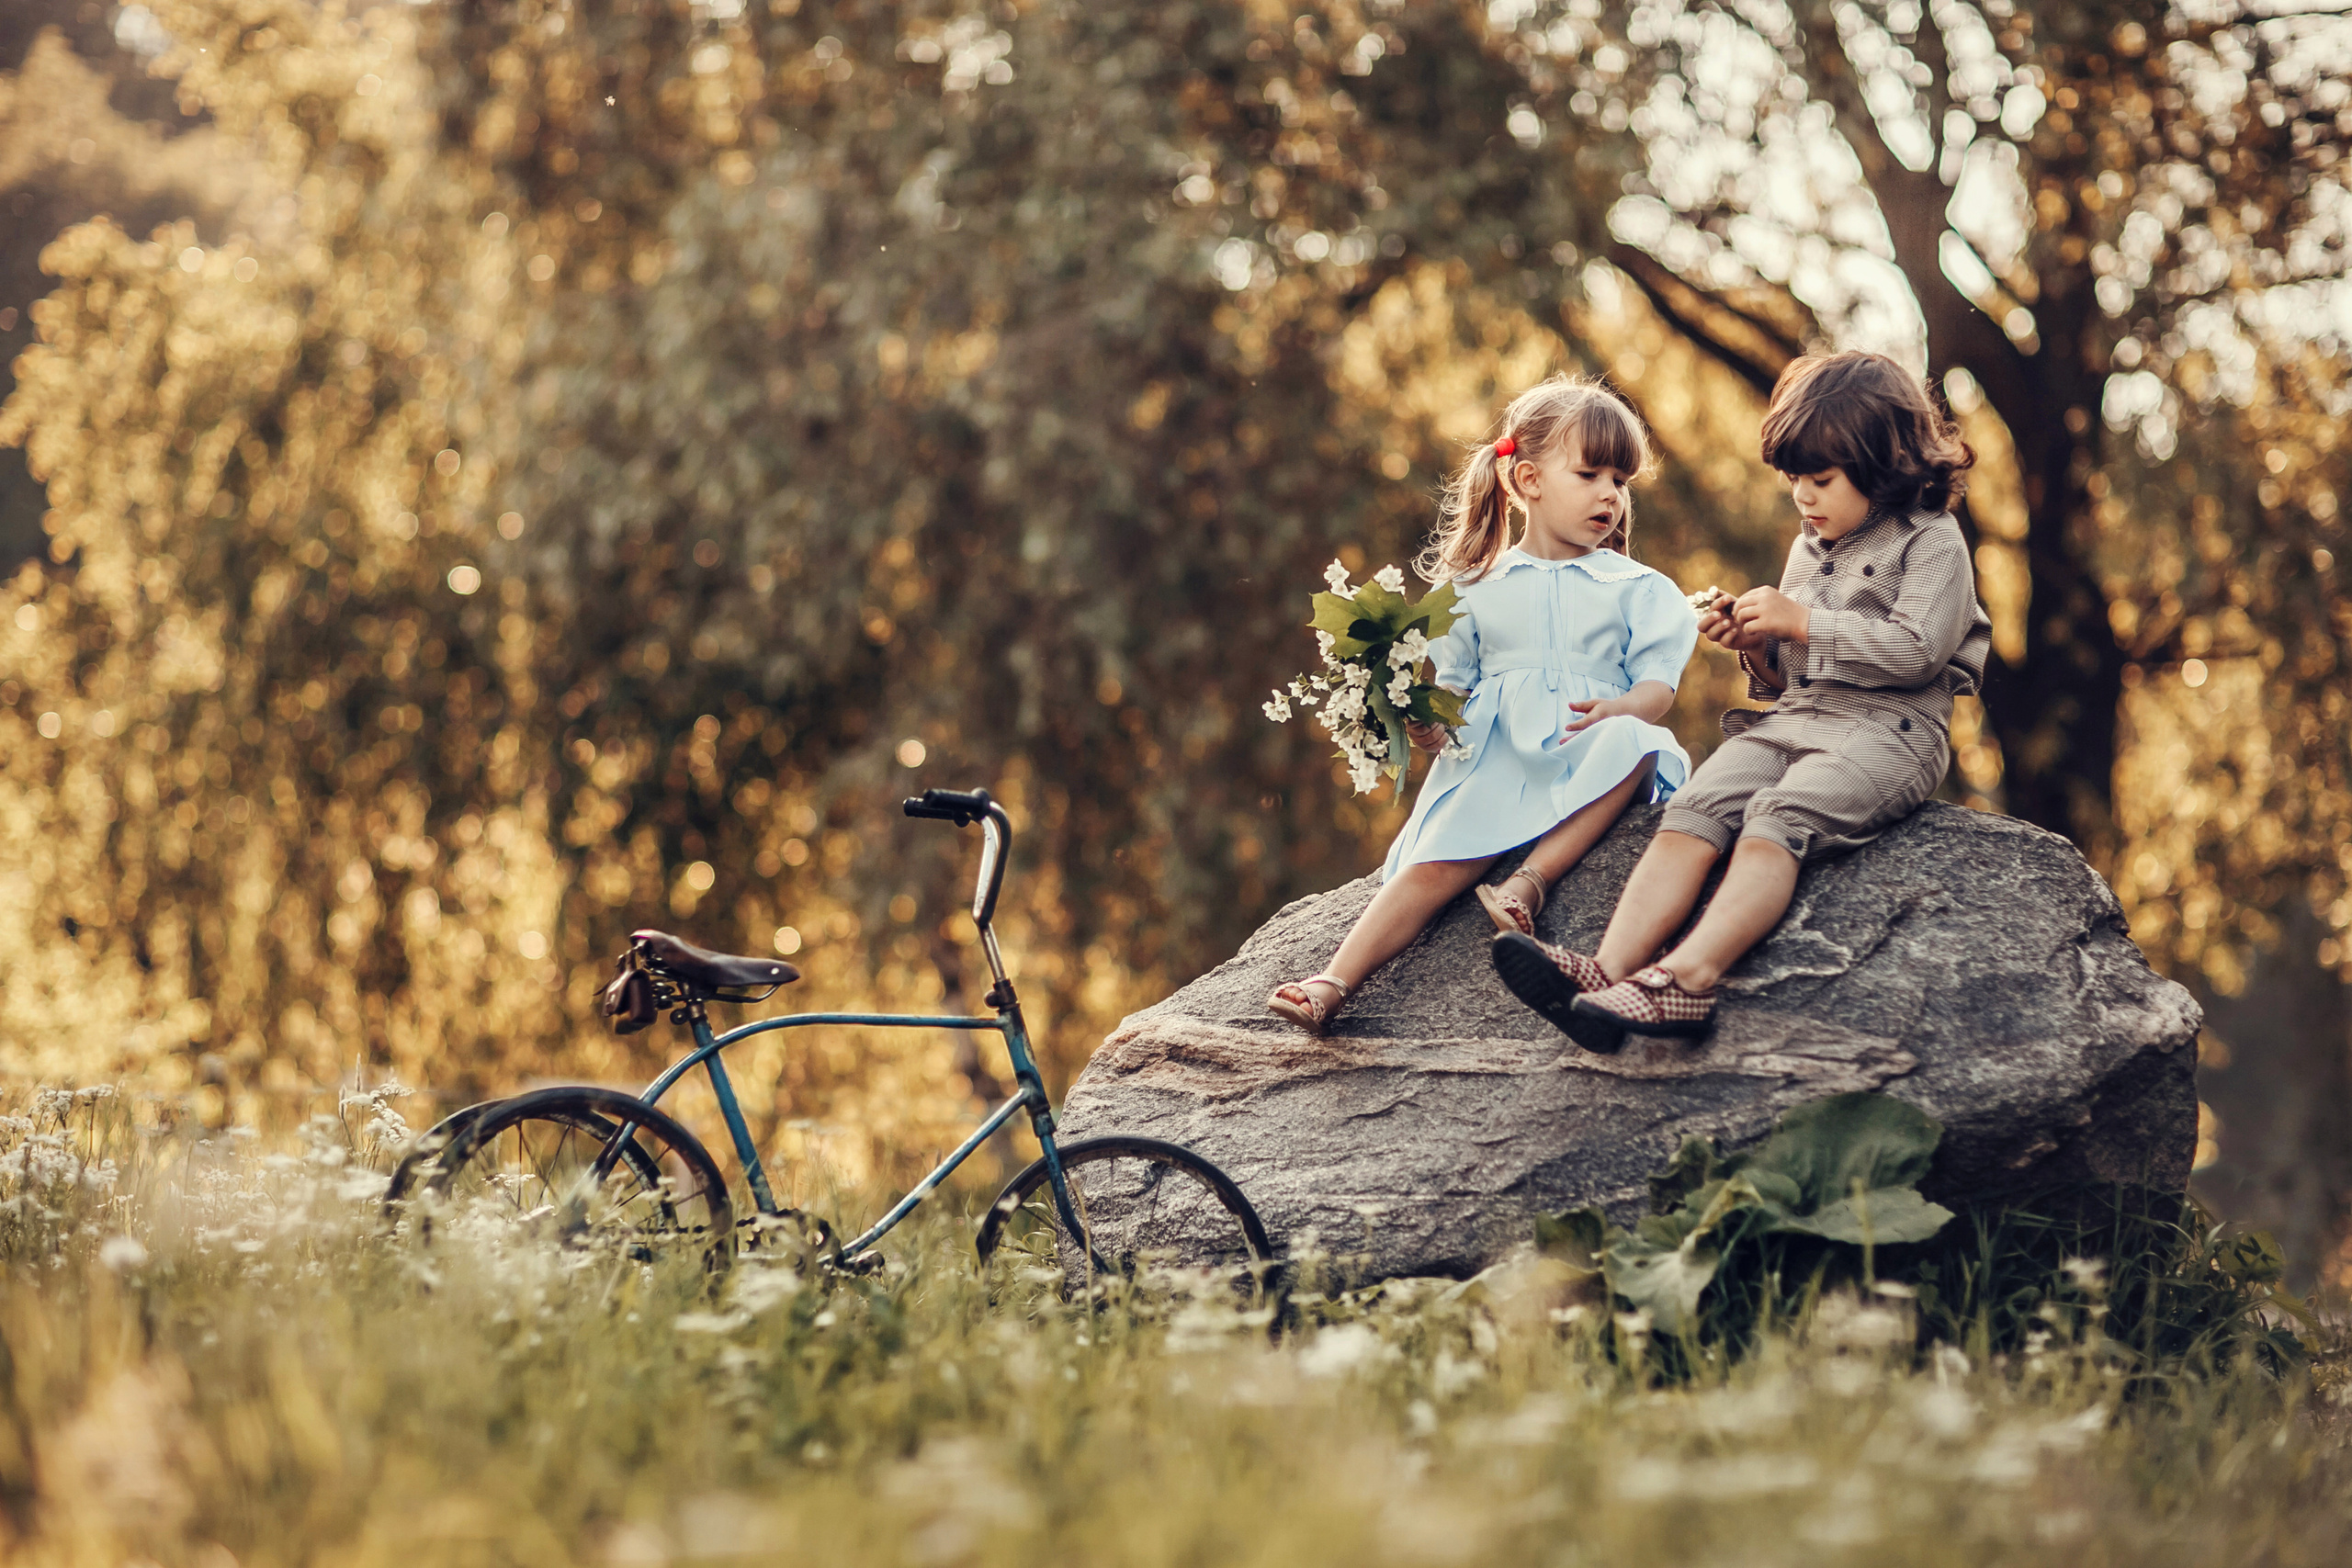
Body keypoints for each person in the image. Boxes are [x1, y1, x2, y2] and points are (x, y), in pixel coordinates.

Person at [1491, 350, 1990, 1050]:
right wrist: (1755, 643)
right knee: (1695, 806)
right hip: (1798, 718)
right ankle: (1606, 973)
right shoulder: (1810, 545)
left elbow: (1916, 651)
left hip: (1890, 732)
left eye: (1820, 480)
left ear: (1885, 467)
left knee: (1777, 815)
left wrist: (1801, 620)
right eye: (1795, 481)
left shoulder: (1934, 542)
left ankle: (1688, 980)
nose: (1803, 498)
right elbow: (1790, 675)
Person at [1267, 376, 1700, 1035]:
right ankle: (1333, 981)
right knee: (1434, 863)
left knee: (1638, 745)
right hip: (1498, 754)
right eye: (1590, 474)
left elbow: (1657, 687)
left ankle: (1529, 882)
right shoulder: (1474, 587)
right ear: (1527, 479)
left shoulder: (1639, 589)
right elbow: (1458, 691)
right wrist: (1426, 725)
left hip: (1589, 738)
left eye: (1622, 479)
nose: (1611, 494)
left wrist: (1625, 708)